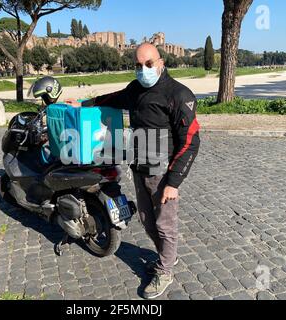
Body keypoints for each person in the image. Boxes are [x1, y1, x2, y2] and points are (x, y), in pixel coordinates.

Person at [66, 43, 200, 299]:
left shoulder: (179, 94)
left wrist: (173, 182)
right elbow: (113, 98)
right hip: (140, 167)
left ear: (161, 62)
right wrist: (83, 104)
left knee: (164, 225)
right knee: (147, 222)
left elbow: (191, 140)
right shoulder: (135, 89)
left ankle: (165, 270)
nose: (143, 70)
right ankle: (166, 257)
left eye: (148, 64)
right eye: (138, 65)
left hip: (163, 172)